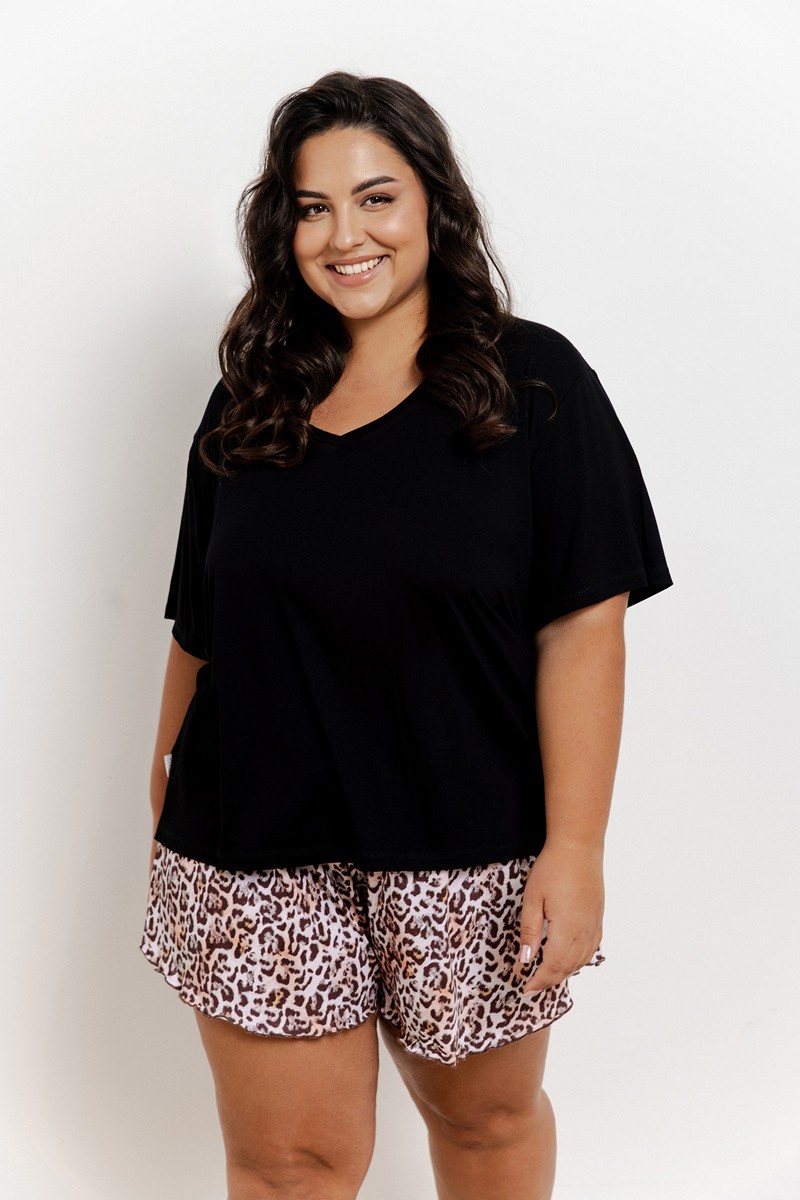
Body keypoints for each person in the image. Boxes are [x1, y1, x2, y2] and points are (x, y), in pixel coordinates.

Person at [140, 70, 673, 1200]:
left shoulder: (533, 384)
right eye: (312, 207)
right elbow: (202, 621)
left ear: (434, 202)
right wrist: (164, 774)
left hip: (467, 843)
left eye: (376, 198)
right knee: (289, 1166)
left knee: (484, 1125)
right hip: (254, 843)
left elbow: (583, 626)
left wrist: (575, 849)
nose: (346, 235)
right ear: (282, 228)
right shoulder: (251, 398)